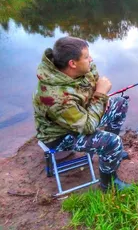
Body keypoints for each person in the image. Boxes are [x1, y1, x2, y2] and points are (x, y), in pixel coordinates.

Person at [33, 36, 130, 191]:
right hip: (60, 136)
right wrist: (100, 95)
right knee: (112, 142)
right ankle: (109, 184)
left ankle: (110, 154)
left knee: (120, 103)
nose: (91, 59)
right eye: (86, 57)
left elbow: (91, 79)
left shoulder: (73, 72)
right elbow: (88, 127)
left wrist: (95, 87)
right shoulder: (56, 97)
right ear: (72, 63)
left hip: (80, 117)